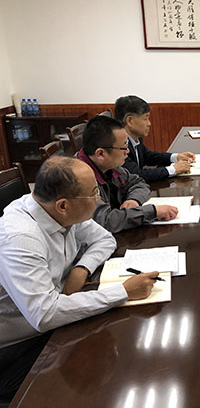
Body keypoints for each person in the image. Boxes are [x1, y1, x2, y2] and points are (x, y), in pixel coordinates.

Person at [0, 156, 159, 404]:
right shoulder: (21, 239)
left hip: (48, 318)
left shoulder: (56, 211)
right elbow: (44, 314)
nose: (99, 199)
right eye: (94, 193)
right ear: (63, 205)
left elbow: (105, 239)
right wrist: (123, 292)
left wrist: (81, 269)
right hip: (17, 346)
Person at [76, 115, 178, 233]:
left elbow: (138, 182)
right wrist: (153, 212)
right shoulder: (80, 178)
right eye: (123, 147)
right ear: (101, 154)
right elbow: (106, 221)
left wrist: (134, 200)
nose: (127, 151)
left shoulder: (110, 166)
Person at [114, 95, 195, 183]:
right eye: (145, 119)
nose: (149, 123)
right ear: (130, 121)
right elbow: (136, 175)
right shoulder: (119, 146)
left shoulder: (136, 138)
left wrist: (175, 157)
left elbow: (148, 156)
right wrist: (173, 169)